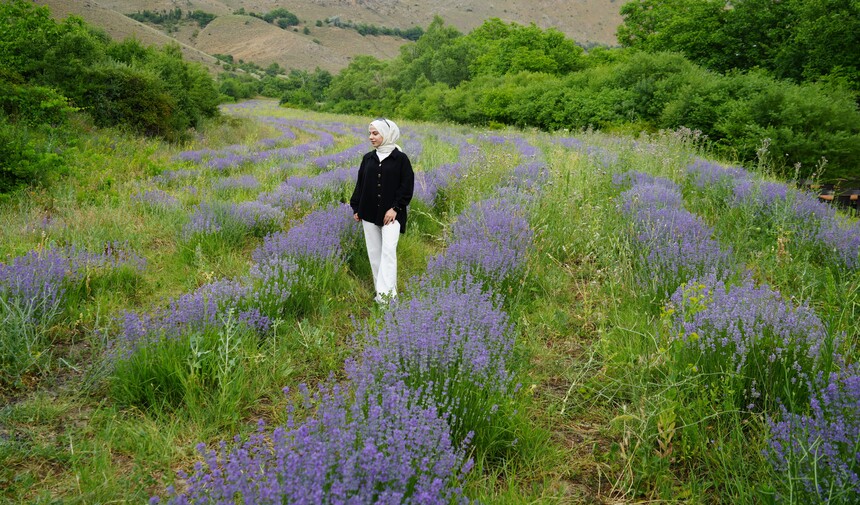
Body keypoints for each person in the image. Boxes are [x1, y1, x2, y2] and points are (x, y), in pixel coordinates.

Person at [350, 118, 414, 304]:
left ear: (387, 135)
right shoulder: (368, 158)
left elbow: (406, 186)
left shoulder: (401, 159)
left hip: (392, 215)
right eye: (370, 133)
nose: (371, 137)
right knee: (374, 253)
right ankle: (381, 293)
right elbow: (360, 185)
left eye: (375, 133)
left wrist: (395, 208)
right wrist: (356, 207)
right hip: (368, 212)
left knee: (388, 252)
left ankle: (387, 299)